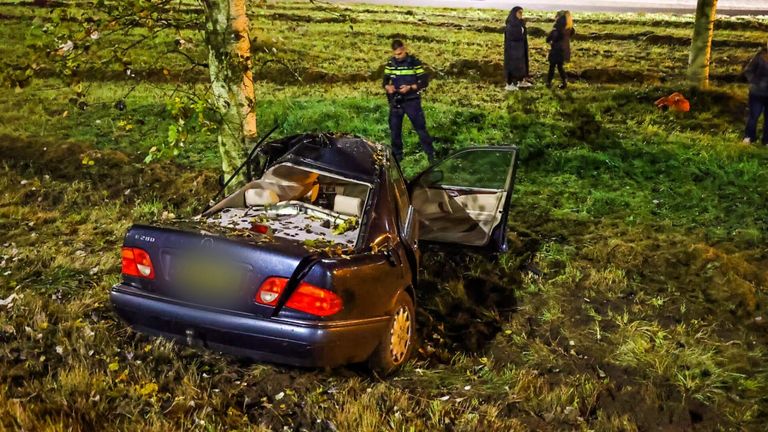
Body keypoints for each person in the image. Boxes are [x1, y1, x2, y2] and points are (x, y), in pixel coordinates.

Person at [383, 39, 435, 163]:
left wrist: (410, 87)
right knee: (395, 130)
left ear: (404, 49)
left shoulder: (414, 63)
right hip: (396, 101)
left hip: (412, 101)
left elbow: (424, 82)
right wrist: (388, 87)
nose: (398, 57)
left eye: (400, 54)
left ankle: (431, 154)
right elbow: (384, 82)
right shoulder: (390, 63)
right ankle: (398, 157)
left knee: (420, 128)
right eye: (395, 54)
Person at [743, 43, 768, 145]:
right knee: (754, 115)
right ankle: (749, 137)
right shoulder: (760, 56)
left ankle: (766, 140)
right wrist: (754, 81)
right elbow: (748, 70)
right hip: (757, 93)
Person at [503, 6, 531, 91]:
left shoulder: (520, 23)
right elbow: (512, 36)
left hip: (520, 48)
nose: (521, 14)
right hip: (513, 49)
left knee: (521, 65)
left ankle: (521, 81)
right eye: (519, 12)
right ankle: (509, 84)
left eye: (522, 12)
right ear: (514, 13)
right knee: (512, 66)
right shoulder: (511, 24)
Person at [546, 10, 575, 89]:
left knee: (552, 67)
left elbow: (549, 39)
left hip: (556, 49)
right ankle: (564, 82)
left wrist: (550, 40)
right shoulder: (569, 27)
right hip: (564, 49)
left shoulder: (557, 27)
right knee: (560, 66)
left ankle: (548, 83)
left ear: (559, 17)